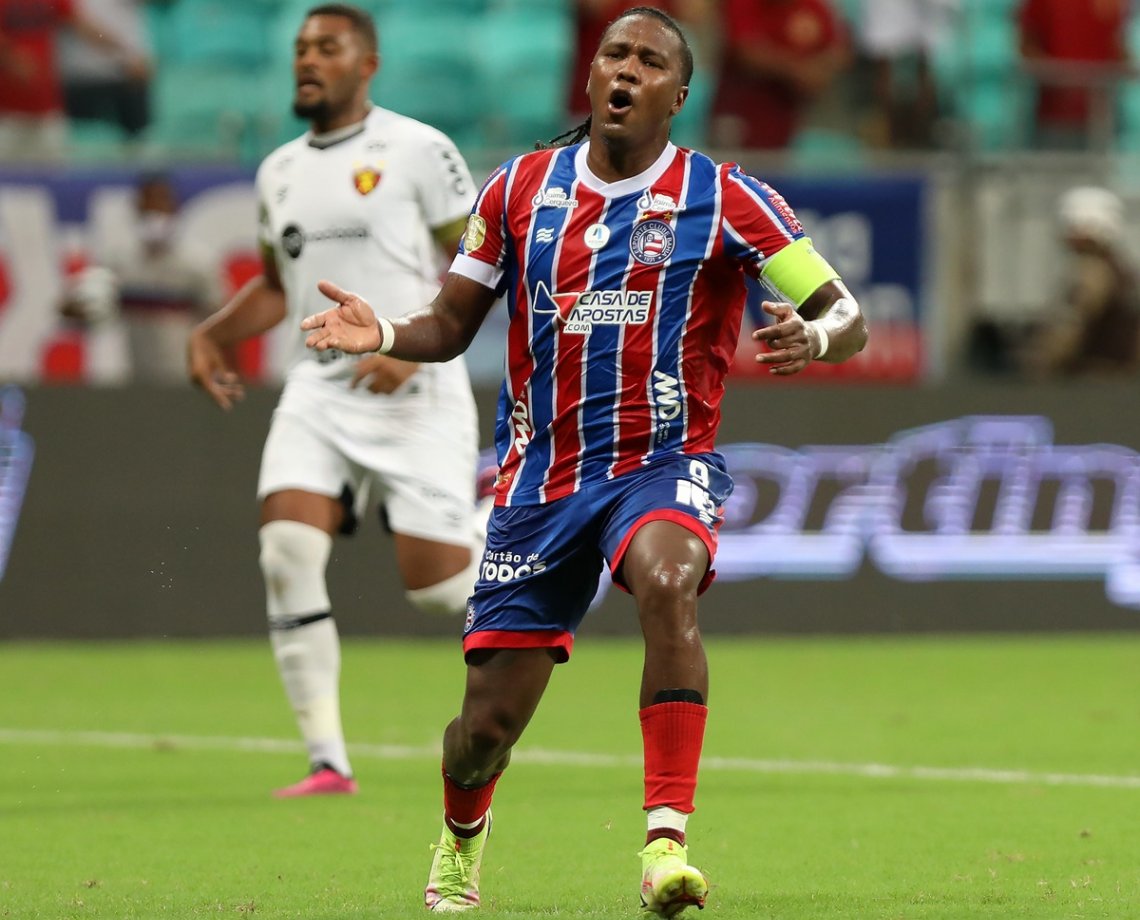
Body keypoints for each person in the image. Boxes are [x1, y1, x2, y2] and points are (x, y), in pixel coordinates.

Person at [302, 6, 867, 914]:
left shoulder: (724, 197)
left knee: (669, 577)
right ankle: (459, 841)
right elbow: (450, 325)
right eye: (615, 53)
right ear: (591, 73)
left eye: (649, 61)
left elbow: (844, 309)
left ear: (678, 96)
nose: (627, 70)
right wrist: (387, 331)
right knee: (483, 729)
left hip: (662, 461)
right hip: (540, 483)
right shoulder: (519, 190)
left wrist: (819, 334)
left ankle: (663, 847)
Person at [187, 3, 484, 798]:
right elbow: (277, 286)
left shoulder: (420, 149)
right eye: (300, 48)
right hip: (318, 389)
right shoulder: (278, 169)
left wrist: (406, 342)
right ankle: (328, 760)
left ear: (368, 63)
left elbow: (482, 266)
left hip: (415, 382)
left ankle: (522, 537)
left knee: (440, 592)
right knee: (285, 550)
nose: (308, 60)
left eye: (328, 47)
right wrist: (212, 334)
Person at [61, 173, 218, 384]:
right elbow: (84, 314)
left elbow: (221, 321)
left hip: (185, 380)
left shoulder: (197, 264)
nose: (154, 209)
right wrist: (78, 308)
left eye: (161, 201)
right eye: (147, 202)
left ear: (175, 207)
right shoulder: (122, 264)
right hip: (137, 379)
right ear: (136, 208)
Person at [0, 0, 149, 162]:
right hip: (7, 114)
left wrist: (127, 52)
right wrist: (10, 57)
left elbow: (82, 26)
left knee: (53, 178)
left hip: (47, 111)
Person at [1022, 185, 1140, 378]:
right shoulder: (1121, 269)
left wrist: (1040, 362)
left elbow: (1071, 325)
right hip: (1120, 377)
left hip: (1093, 377)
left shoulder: (1092, 271)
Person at [710, 0, 850, 150]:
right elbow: (745, 50)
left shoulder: (812, 6)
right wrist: (796, 70)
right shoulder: (744, 4)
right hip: (740, 116)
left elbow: (839, 48)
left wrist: (820, 68)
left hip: (790, 120)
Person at [1017, 0, 1130, 150]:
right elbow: (1027, 44)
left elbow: (1116, 45)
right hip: (1056, 116)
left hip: (1101, 115)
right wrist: (1060, 77)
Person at [59, 0, 152, 140]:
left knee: (138, 144)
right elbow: (78, 24)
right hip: (85, 78)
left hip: (127, 77)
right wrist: (127, 54)